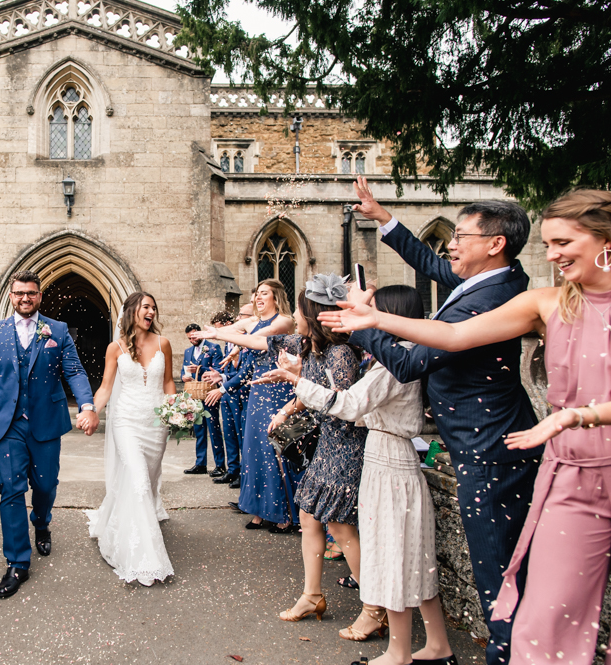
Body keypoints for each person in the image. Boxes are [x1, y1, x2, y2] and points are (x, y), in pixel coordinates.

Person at [324, 189, 611, 665]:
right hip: (565, 470)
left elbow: (415, 362)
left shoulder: (505, 288)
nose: (552, 254)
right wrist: (375, 314)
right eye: (548, 243)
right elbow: (454, 334)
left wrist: (581, 415)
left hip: (496, 445)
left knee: (508, 579)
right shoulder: (538, 298)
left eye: (563, 242)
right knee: (540, 603)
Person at [341, 177, 538, 663]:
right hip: (483, 441)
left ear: (495, 244)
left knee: (498, 571)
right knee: (501, 568)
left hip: (488, 450)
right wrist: (384, 218)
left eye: (460, 236)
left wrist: (363, 324)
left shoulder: (487, 298)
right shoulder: (494, 280)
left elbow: (409, 363)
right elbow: (431, 264)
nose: (450, 244)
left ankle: (509, 653)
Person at [261, 285, 456, 663]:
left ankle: (398, 653)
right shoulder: (396, 360)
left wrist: (296, 382)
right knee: (413, 557)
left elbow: (349, 405)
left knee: (391, 554)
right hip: (387, 454)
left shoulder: (393, 364)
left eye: (374, 309)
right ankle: (437, 646)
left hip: (389, 461)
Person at [200, 274, 370, 633]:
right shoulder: (311, 347)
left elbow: (342, 404)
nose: (296, 315)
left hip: (342, 445)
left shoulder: (339, 353)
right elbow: (265, 345)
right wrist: (287, 407)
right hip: (327, 445)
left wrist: (295, 382)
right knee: (308, 516)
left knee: (339, 526)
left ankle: (374, 604)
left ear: (312, 314)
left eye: (301, 310)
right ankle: (312, 595)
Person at [0, 270, 99, 599]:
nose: (25, 298)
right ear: (11, 297)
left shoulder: (57, 330)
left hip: (44, 421)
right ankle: (17, 562)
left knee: (44, 484)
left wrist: (87, 404)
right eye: (19, 293)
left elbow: (74, 369)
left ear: (40, 295)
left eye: (31, 293)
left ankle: (41, 522)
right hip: (6, 423)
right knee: (11, 489)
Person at [86, 292, 177, 586]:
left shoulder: (164, 344)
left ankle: (124, 522)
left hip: (155, 423)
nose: (151, 311)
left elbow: (168, 382)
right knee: (137, 479)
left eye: (154, 307)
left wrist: (177, 408)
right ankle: (141, 558)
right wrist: (91, 411)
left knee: (147, 482)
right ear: (132, 312)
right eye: (146, 306)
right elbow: (105, 387)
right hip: (125, 421)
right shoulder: (116, 347)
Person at [206, 281, 296, 530]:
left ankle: (284, 513)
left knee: (274, 450)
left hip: (277, 388)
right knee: (254, 450)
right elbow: (236, 329)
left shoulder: (284, 321)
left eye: (264, 293)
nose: (258, 297)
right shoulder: (250, 322)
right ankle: (258, 510)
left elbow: (255, 339)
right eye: (257, 293)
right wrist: (216, 334)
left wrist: (226, 338)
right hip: (258, 391)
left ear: (276, 297)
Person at [202, 310, 242, 487]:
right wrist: (220, 376)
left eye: (219, 330)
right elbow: (227, 372)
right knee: (229, 435)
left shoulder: (240, 343)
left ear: (228, 325)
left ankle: (242, 473)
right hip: (226, 394)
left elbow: (242, 372)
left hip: (239, 394)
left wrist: (224, 380)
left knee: (241, 436)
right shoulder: (226, 344)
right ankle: (232, 470)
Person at [181, 323, 225, 476]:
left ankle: (220, 465)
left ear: (199, 333)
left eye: (194, 337)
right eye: (189, 338)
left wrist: (201, 370)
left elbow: (219, 369)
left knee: (214, 429)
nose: (192, 340)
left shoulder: (213, 348)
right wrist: (184, 376)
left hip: (209, 393)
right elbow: (183, 370)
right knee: (199, 430)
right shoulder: (188, 352)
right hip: (194, 395)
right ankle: (200, 464)